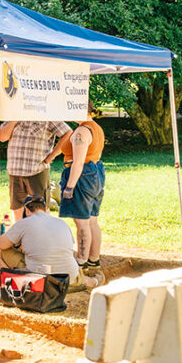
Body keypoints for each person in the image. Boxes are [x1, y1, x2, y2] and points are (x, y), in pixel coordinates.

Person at [0, 194, 103, 288]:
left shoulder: (24, 223)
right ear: (46, 209)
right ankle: (92, 281)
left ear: (27, 210)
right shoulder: (61, 223)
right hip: (68, 276)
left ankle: (12, 278)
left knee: (2, 251)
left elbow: (0, 244)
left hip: (39, 277)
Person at [57, 105, 105, 270]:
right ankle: (94, 258)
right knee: (92, 220)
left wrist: (69, 187)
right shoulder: (95, 128)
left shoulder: (81, 132)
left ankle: (81, 261)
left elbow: (78, 162)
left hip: (82, 175)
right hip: (96, 172)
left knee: (82, 222)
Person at [0, 120, 72, 220]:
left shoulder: (46, 114)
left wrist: (52, 155)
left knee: (41, 209)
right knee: (17, 209)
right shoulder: (14, 114)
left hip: (37, 169)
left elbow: (67, 133)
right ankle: (21, 234)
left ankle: (43, 235)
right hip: (14, 169)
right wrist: (15, 118)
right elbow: (2, 137)